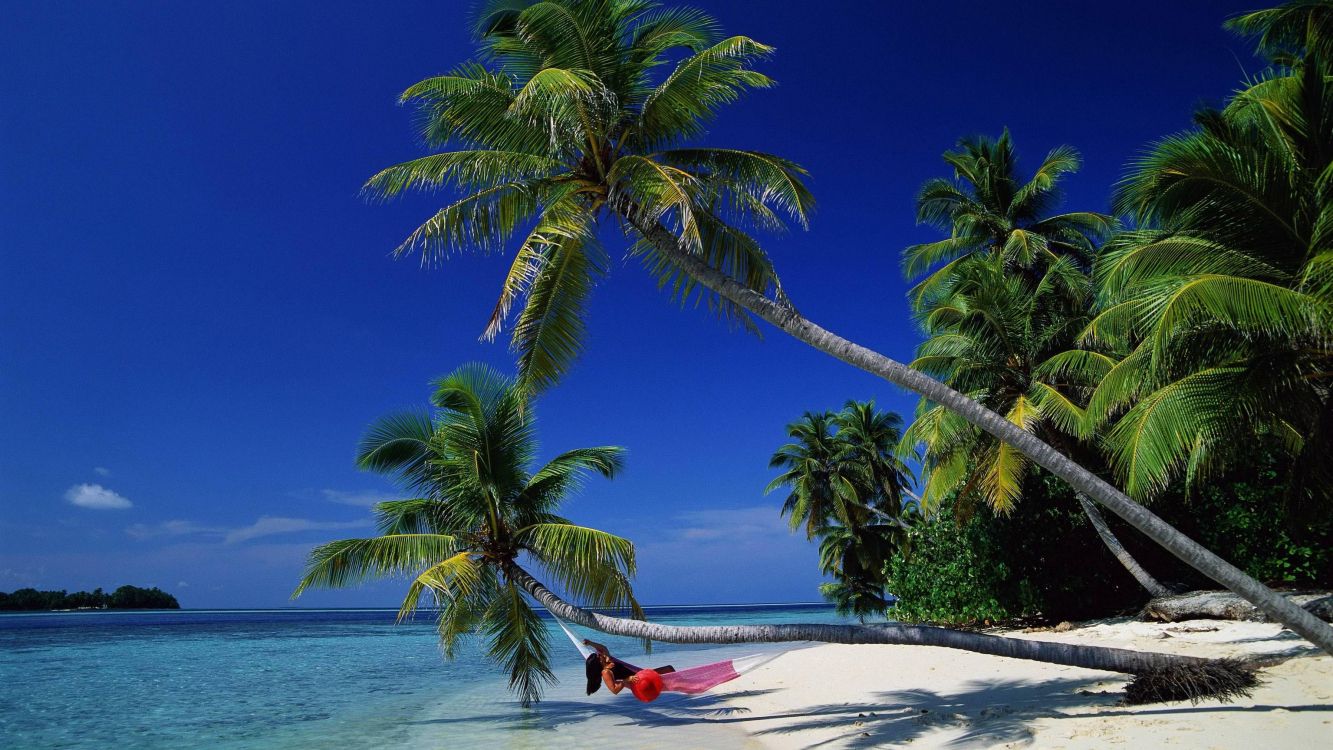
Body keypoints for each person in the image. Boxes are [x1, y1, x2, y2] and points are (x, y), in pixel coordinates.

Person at [582, 638, 675, 695]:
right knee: (669, 670)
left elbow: (603, 648)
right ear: (598, 662)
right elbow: (614, 690)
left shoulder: (608, 659)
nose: (599, 654)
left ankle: (683, 685)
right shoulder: (605, 672)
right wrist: (627, 680)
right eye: (598, 656)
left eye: (598, 654)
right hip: (639, 680)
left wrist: (590, 643)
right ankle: (684, 685)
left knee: (669, 670)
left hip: (642, 674)